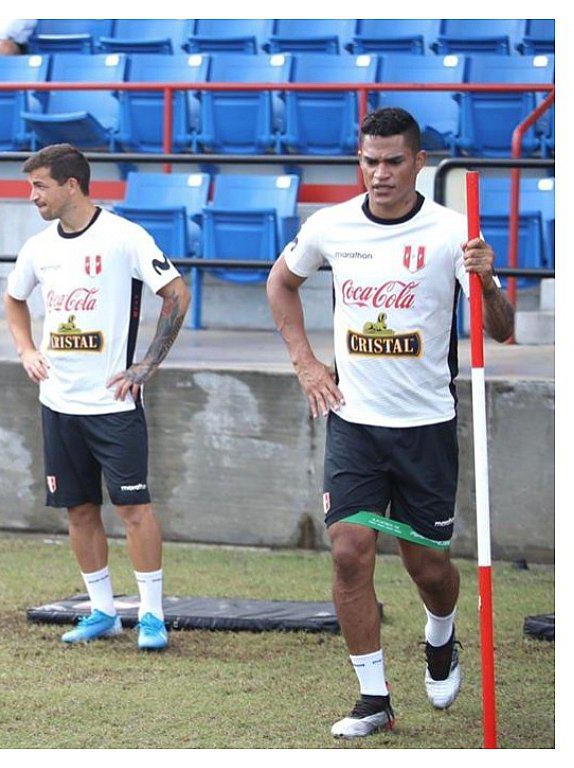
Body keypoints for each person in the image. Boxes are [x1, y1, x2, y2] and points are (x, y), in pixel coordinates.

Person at [266, 107, 515, 739]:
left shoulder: (454, 232)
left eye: (393, 162)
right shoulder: (330, 225)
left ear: (419, 163)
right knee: (350, 552)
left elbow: (503, 330)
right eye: (369, 162)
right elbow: (281, 284)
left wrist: (486, 284)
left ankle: (441, 635)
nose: (379, 174)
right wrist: (306, 364)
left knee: (427, 567)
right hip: (355, 422)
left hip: (426, 425)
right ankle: (373, 697)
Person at [4, 144, 189, 651]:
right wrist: (25, 350)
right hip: (57, 403)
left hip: (113, 405)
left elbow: (176, 292)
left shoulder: (124, 237)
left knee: (134, 509)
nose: (32, 196)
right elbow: (15, 298)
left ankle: (151, 616)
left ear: (72, 185)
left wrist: (146, 366)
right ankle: (102, 611)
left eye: (40, 185)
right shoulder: (38, 247)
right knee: (79, 510)